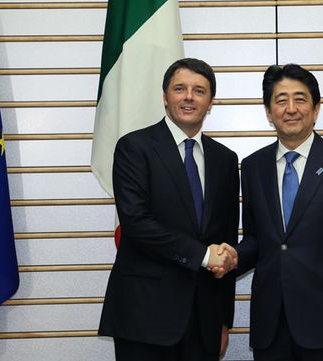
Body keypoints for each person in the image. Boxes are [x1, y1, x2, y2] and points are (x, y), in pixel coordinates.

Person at [228, 64, 323, 360]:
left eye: (300, 99)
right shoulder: (252, 166)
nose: (291, 108)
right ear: (268, 111)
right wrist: (232, 256)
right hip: (271, 323)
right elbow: (257, 238)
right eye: (281, 100)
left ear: (315, 109)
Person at [99, 58, 239, 361]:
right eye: (180, 88)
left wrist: (223, 320)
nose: (189, 96)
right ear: (165, 97)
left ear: (210, 102)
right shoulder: (134, 148)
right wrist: (203, 256)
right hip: (144, 317)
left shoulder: (225, 159)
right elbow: (136, 224)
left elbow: (225, 239)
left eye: (199, 90)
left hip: (204, 320)